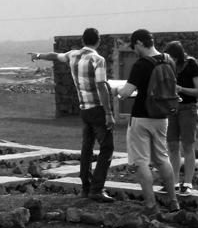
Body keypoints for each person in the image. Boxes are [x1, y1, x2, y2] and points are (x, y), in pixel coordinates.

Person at [30, 28, 116, 203]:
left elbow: (55, 56)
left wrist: (38, 55)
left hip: (84, 108)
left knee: (87, 148)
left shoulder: (73, 55)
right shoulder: (97, 60)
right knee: (106, 148)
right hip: (97, 108)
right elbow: (101, 86)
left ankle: (86, 187)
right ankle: (97, 189)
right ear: (98, 41)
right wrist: (108, 113)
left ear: (83, 41)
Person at [116, 29, 178, 217]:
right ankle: (173, 200)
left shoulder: (141, 64)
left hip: (142, 116)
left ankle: (151, 205)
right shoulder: (169, 60)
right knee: (162, 158)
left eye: (134, 46)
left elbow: (126, 93)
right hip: (162, 116)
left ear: (140, 43)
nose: (135, 51)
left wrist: (117, 89)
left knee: (141, 161)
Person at [162, 41, 198, 196]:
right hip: (172, 108)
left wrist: (181, 89)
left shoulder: (191, 64)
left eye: (172, 57)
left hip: (188, 108)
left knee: (187, 145)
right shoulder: (167, 66)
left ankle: (187, 182)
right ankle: (173, 182)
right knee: (172, 145)